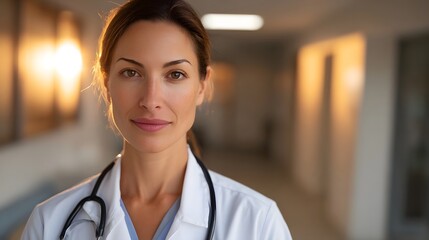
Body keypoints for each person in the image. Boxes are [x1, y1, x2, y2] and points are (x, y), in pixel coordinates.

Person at [21, 0, 292, 239]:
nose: (151, 100)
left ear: (202, 86)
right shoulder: (51, 223)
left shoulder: (258, 223)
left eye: (175, 75)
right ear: (106, 84)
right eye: (131, 73)